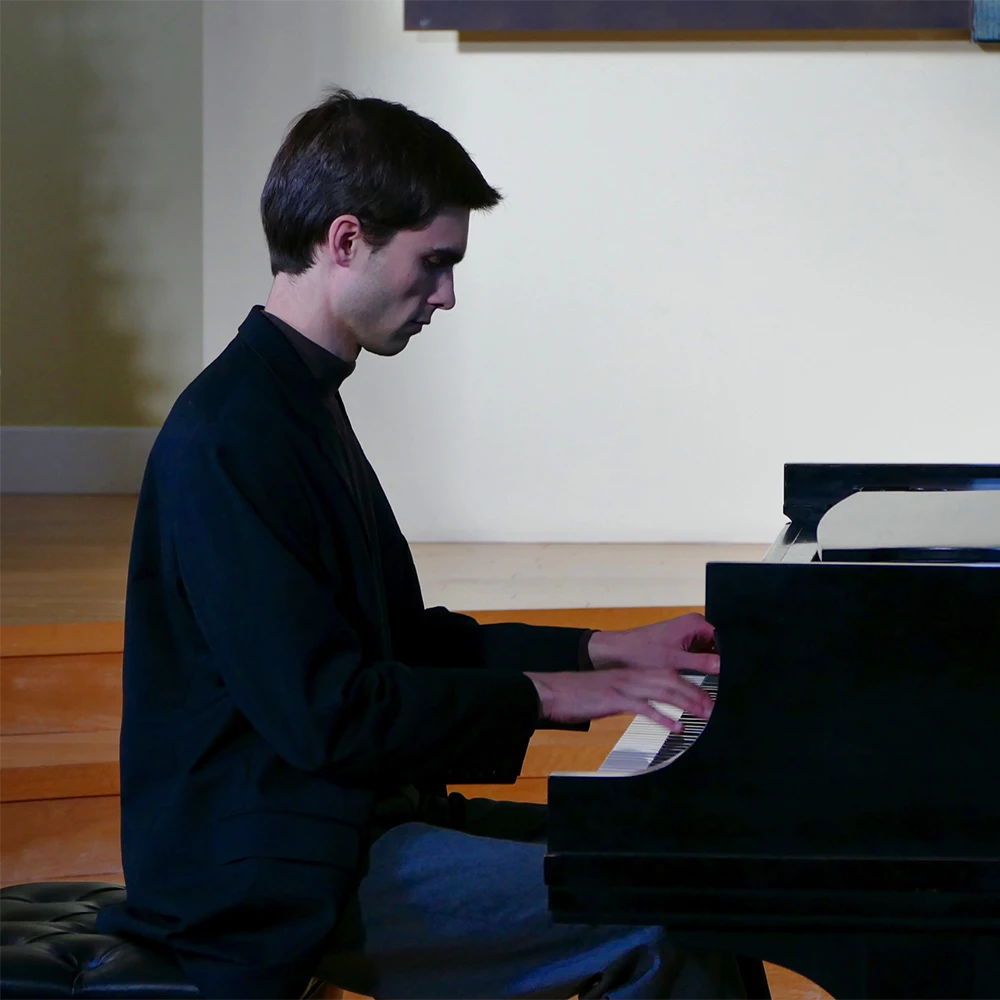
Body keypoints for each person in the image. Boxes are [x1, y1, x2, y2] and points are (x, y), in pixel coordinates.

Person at [97, 89, 758, 1000]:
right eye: (433, 263)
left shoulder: (297, 404)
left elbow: (406, 642)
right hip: (277, 870)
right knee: (658, 910)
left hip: (350, 822)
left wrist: (604, 647)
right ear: (343, 242)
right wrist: (553, 695)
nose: (446, 295)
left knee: (684, 874)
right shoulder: (232, 435)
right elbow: (328, 714)